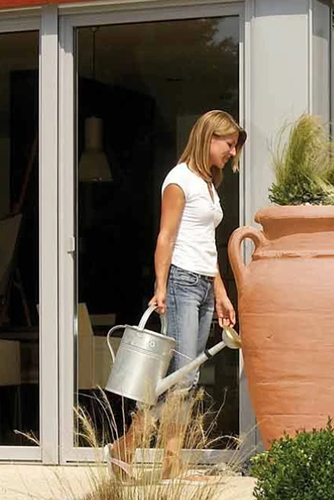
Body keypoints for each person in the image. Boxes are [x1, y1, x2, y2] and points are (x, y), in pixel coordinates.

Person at [106, 110, 246, 479]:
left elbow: (207, 246)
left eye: (234, 146)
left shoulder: (208, 184)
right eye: (228, 144)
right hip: (182, 282)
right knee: (182, 377)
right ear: (208, 138)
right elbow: (166, 236)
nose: (232, 152)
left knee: (188, 377)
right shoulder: (178, 180)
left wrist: (220, 293)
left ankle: (166, 461)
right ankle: (130, 446)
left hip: (203, 285)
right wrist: (161, 285)